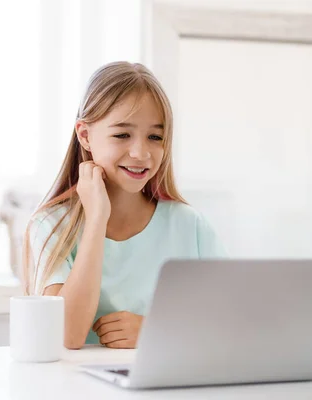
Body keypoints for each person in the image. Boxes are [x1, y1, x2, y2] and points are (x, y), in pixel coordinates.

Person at [22, 61, 227, 350]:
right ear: (85, 135)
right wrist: (96, 219)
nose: (140, 153)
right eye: (122, 135)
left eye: (155, 137)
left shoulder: (189, 225)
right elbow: (67, 334)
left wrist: (157, 330)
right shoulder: (51, 225)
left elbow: (232, 322)